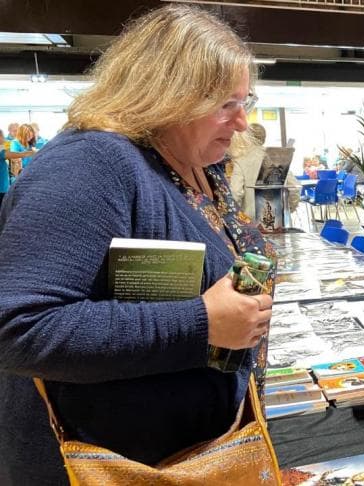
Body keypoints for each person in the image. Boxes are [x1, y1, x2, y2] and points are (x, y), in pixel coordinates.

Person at [0, 6, 277, 484]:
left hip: (197, 454)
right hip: (109, 467)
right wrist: (201, 325)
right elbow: (20, 328)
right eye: (226, 104)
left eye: (244, 101)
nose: (242, 122)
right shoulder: (91, 163)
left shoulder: (196, 165)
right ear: (168, 95)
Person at [228, 122, 300, 217]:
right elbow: (294, 187)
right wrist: (289, 209)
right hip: (278, 219)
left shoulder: (240, 159)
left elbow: (235, 193)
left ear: (246, 138)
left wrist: (236, 216)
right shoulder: (277, 157)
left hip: (251, 221)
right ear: (264, 138)